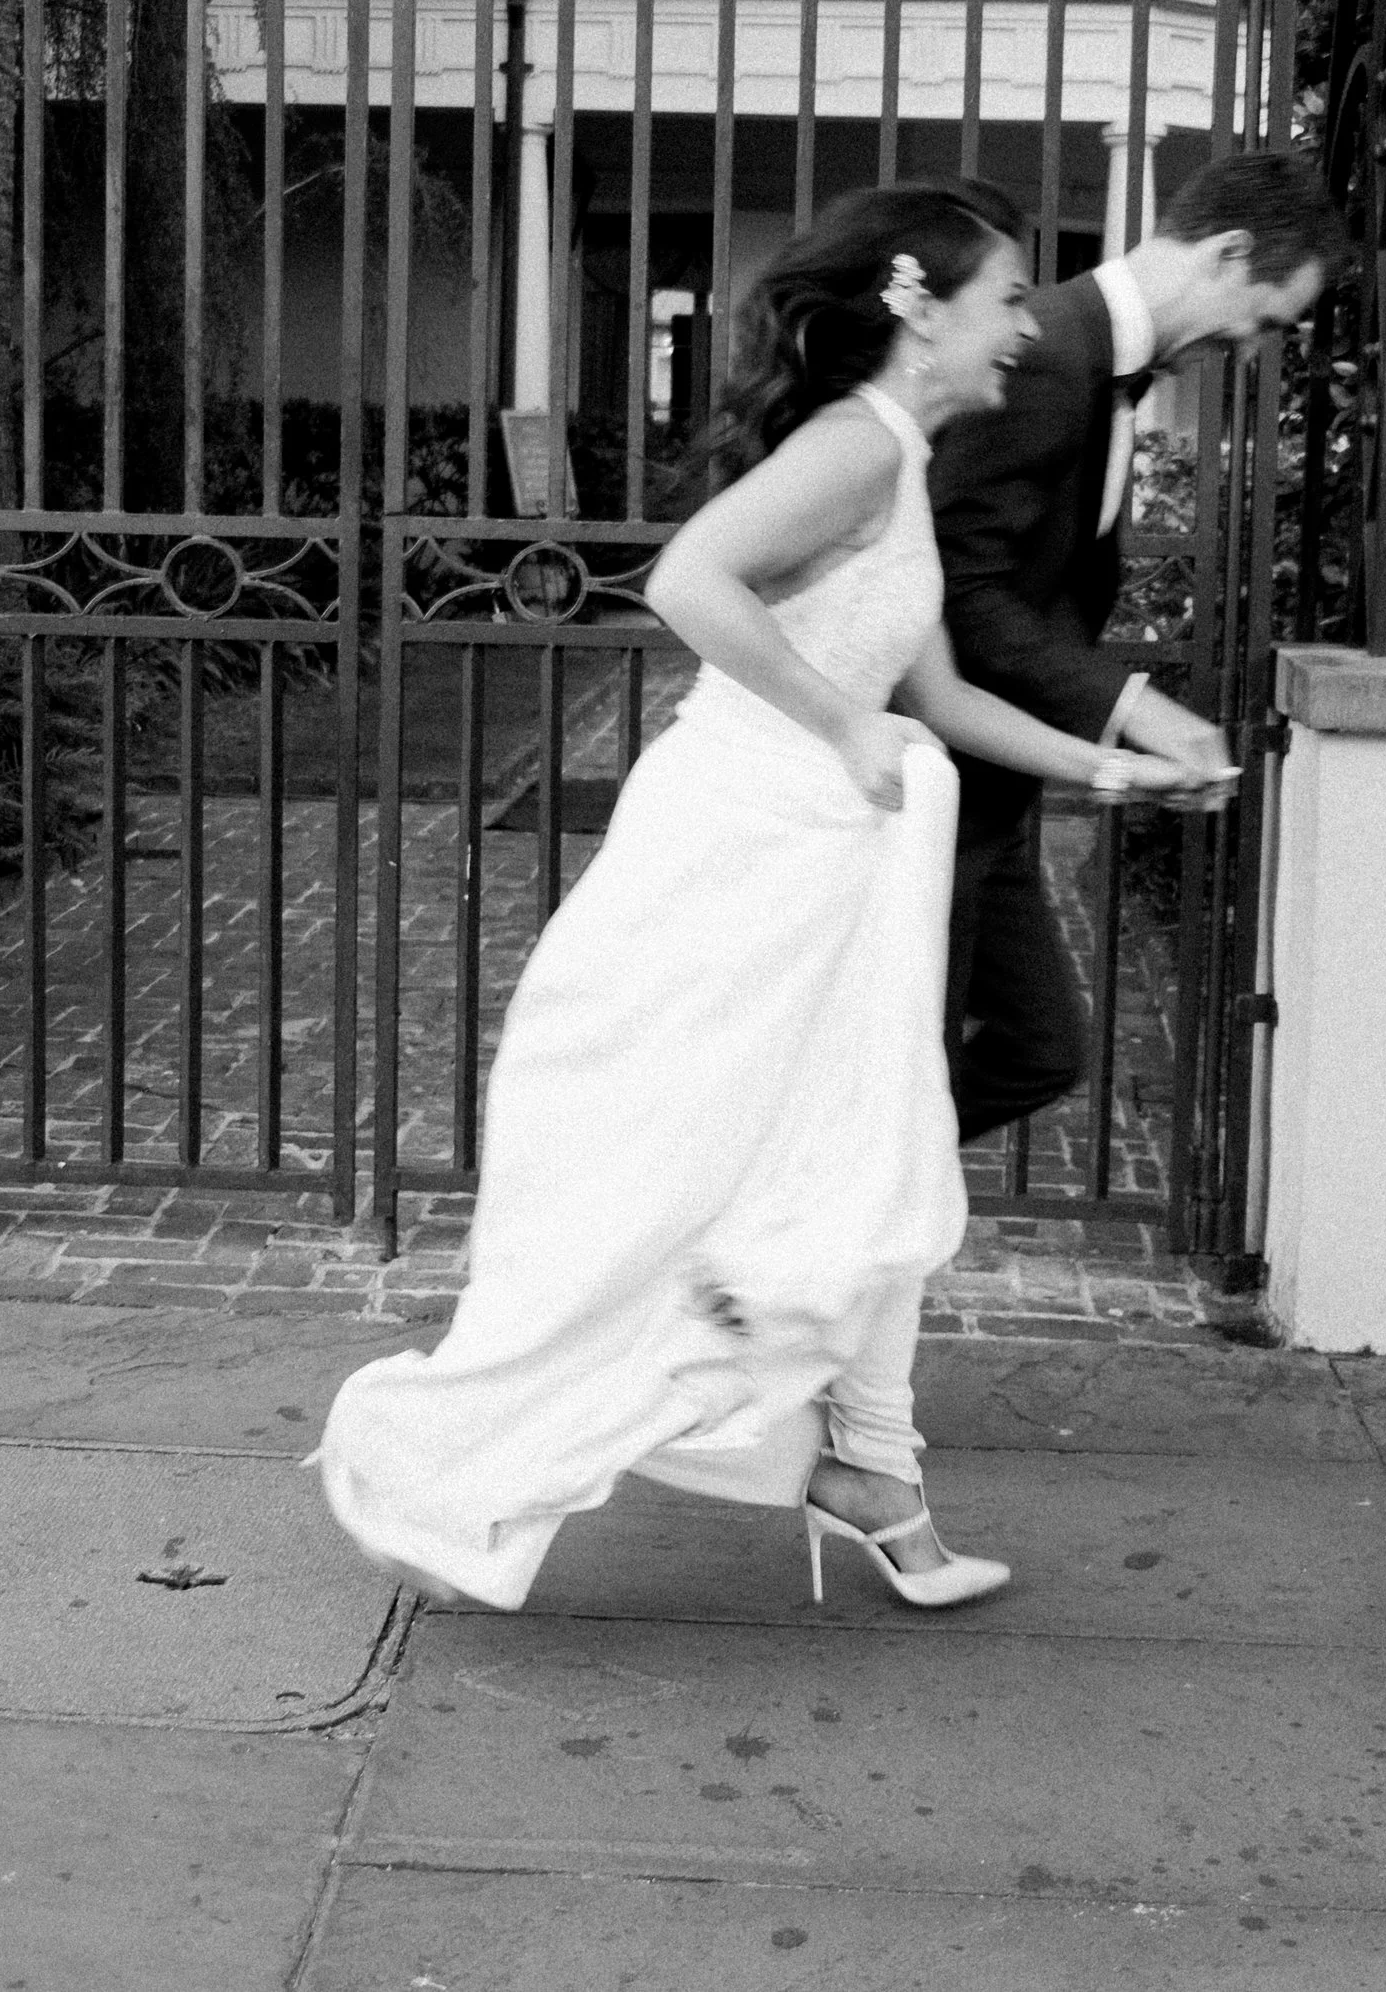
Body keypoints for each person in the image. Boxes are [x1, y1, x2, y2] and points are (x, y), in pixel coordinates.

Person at [315, 181, 1197, 1613]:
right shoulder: (856, 448)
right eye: (1009, 297)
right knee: (698, 1175)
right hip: (745, 850)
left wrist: (1114, 777)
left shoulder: (900, 458)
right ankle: (482, 1443)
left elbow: (947, 692)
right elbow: (690, 581)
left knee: (865, 1156)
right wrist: (837, 724)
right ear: (919, 306)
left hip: (828, 863)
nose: (1027, 329)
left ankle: (868, 1482)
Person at [929, 149, 1349, 1146]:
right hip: (932, 791)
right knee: (907, 1086)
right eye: (1267, 318)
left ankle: (833, 1201)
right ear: (1228, 251)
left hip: (994, 793)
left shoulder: (1097, 368)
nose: (1254, 348)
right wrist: (1136, 710)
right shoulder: (1042, 355)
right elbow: (957, 595)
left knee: (1041, 1050)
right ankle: (808, 1222)